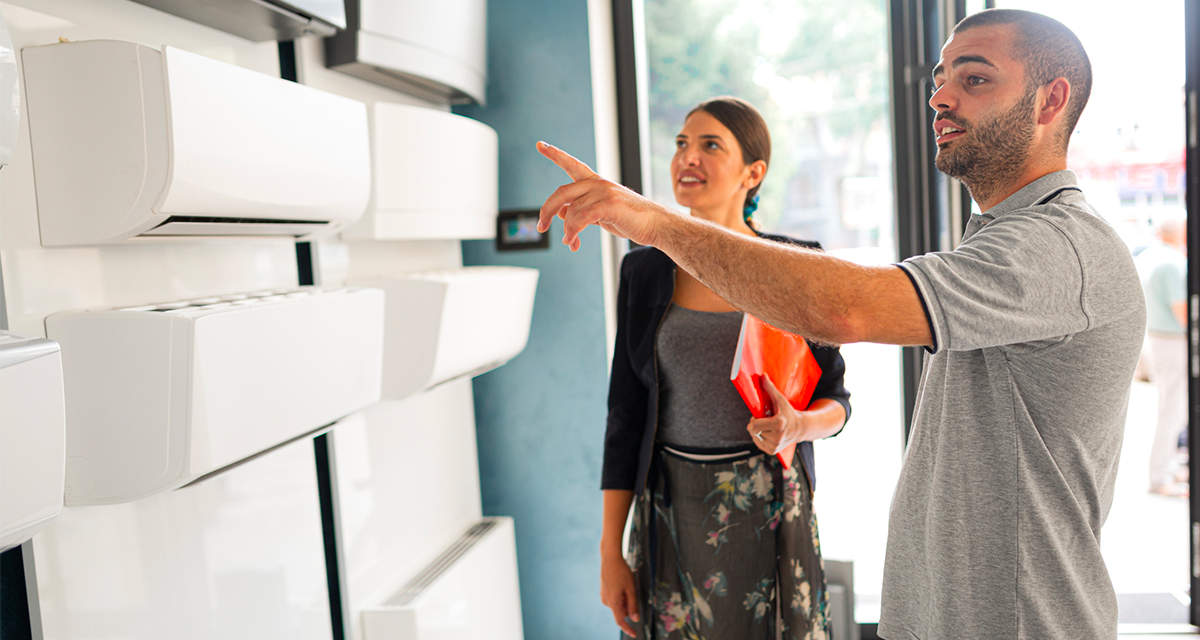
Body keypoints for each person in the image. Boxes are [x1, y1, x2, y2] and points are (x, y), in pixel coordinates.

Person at [536, 8, 1144, 640]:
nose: (939, 97)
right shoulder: (997, 241)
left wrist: (654, 223)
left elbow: (842, 311)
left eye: (975, 78)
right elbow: (626, 411)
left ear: (1052, 101)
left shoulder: (1057, 248)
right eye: (940, 79)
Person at [599, 96, 851, 639]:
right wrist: (610, 553)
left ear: (752, 173)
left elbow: (837, 401)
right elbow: (624, 416)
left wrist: (799, 425)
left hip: (768, 504)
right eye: (681, 144)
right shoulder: (644, 269)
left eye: (710, 145)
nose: (688, 157)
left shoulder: (794, 265)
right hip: (669, 505)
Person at [1140, 212, 1188, 496]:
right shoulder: (1171, 263)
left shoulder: (1152, 257)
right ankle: (1160, 477)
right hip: (1172, 341)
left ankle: (1166, 469)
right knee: (1172, 409)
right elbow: (1182, 311)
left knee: (1172, 407)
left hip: (1159, 340)